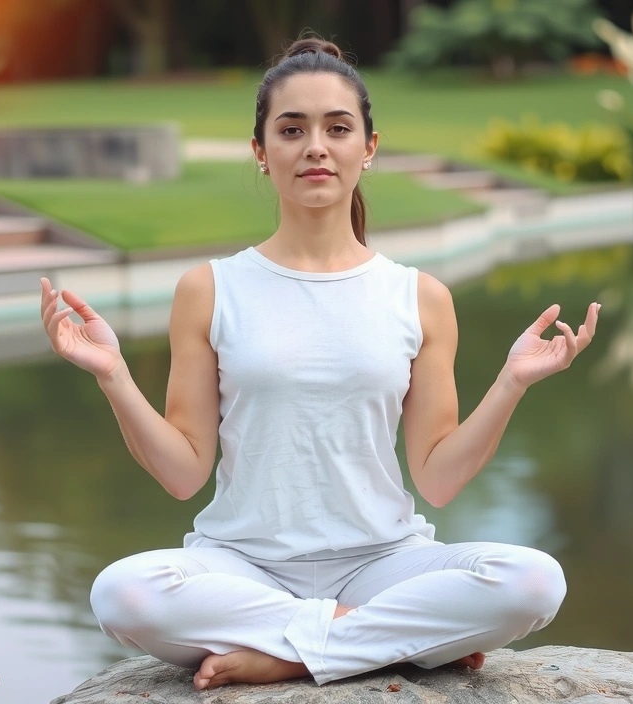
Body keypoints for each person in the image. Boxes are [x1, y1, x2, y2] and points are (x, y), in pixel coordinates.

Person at [38, 36, 600, 691]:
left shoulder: (419, 297)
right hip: (242, 565)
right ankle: (369, 640)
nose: (315, 147)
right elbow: (184, 472)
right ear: (260, 152)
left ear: (369, 147)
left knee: (534, 581)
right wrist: (114, 376)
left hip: (383, 560)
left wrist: (510, 383)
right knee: (123, 595)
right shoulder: (210, 289)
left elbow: (438, 479)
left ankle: (294, 653)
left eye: (337, 128)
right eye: (292, 129)